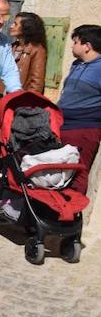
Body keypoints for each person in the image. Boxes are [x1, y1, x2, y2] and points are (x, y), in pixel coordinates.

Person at [58, 25, 101, 195]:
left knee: (77, 173)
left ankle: (71, 215)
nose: (72, 46)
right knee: (58, 170)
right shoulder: (77, 64)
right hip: (63, 125)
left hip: (84, 128)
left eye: (75, 42)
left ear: (87, 46)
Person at [10, 11, 47, 94]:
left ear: (26, 28)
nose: (11, 26)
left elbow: (36, 84)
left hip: (21, 101)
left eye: (15, 24)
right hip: (5, 99)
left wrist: (27, 102)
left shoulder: (37, 50)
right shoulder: (12, 47)